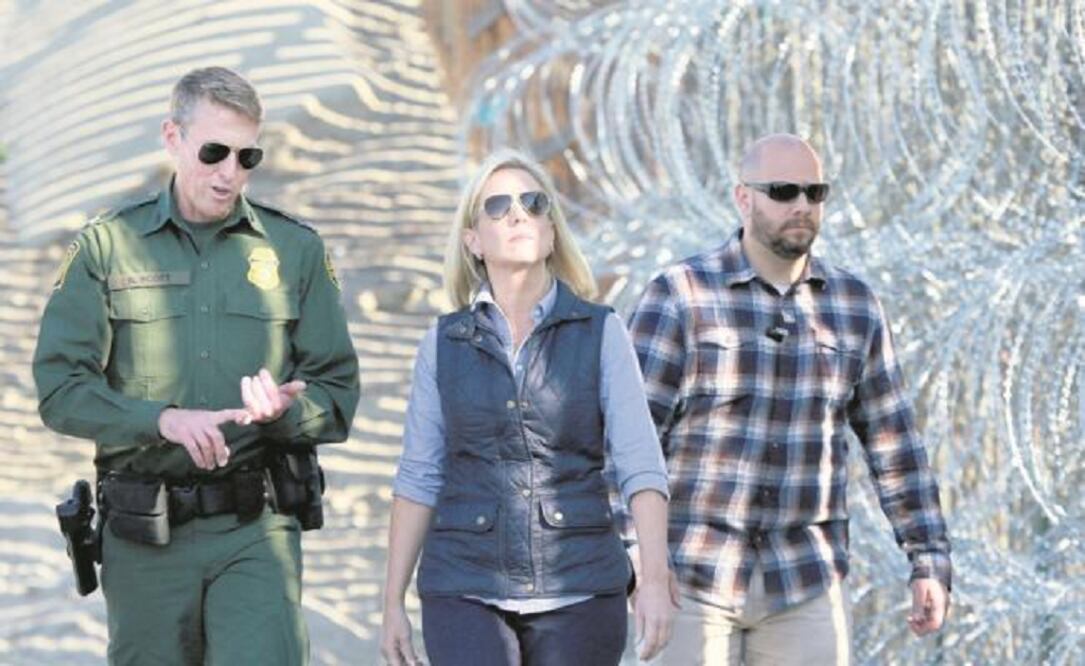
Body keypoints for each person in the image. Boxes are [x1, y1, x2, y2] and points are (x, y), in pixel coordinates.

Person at [33, 66, 360, 665]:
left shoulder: (295, 250)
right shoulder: (106, 247)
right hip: (145, 538)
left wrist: (285, 412)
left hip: (255, 527)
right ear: (172, 137)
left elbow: (337, 393)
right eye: (214, 151)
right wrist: (161, 420)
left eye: (247, 156)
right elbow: (60, 389)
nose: (230, 172)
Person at [627, 134, 952, 664]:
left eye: (814, 192)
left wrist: (929, 558)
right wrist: (640, 562)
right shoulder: (682, 295)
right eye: (782, 191)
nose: (801, 205)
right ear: (744, 198)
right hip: (691, 573)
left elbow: (895, 446)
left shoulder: (853, 306)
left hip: (804, 577)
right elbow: (630, 442)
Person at [379, 148, 676, 665]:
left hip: (582, 587)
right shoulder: (443, 342)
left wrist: (653, 577)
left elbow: (640, 464)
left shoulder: (602, 332)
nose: (518, 214)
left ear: (552, 231)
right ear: (472, 240)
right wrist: (391, 602)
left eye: (533, 203)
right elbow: (419, 476)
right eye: (497, 206)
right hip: (463, 586)